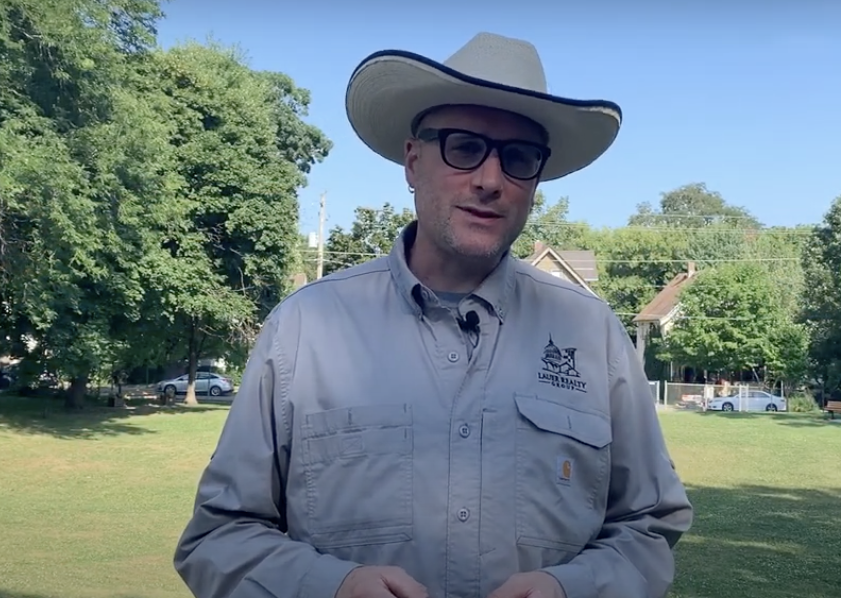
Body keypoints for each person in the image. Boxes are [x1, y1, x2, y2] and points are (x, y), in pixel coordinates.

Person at [173, 32, 693, 598]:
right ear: (412, 160)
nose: (491, 180)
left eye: (518, 158)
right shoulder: (304, 331)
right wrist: (331, 587)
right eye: (464, 147)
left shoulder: (594, 336)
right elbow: (218, 537)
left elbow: (648, 526)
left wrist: (573, 589)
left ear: (535, 181)